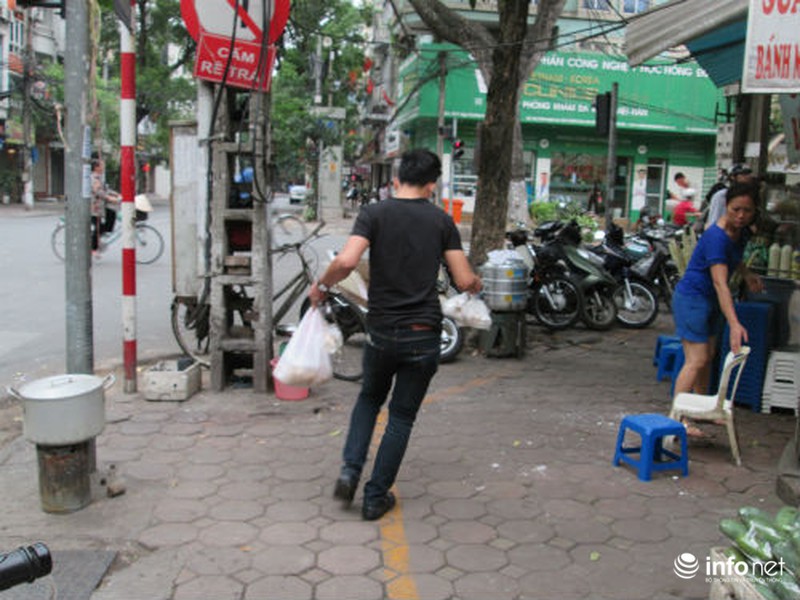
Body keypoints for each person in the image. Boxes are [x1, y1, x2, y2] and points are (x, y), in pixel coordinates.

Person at [308, 148, 482, 521]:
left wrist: (321, 285)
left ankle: (350, 470)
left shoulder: (374, 213)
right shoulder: (440, 222)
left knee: (369, 399)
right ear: (432, 185)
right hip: (423, 333)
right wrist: (476, 283)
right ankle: (374, 498)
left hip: (382, 330)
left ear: (397, 179)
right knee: (401, 417)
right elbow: (465, 280)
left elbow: (346, 261)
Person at [671, 182, 763, 418]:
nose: (741, 216)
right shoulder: (715, 237)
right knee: (696, 359)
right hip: (692, 299)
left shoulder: (741, 233)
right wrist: (734, 323)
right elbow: (720, 283)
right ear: (726, 207)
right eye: (736, 210)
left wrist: (746, 274)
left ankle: (702, 411)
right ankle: (678, 419)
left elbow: (734, 259)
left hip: (710, 301)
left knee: (708, 358)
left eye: (747, 211)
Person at [704, 164, 754, 231]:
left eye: (748, 174)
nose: (747, 177)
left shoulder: (750, 196)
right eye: (743, 174)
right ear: (733, 177)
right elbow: (715, 219)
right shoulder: (722, 195)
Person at [90, 157, 120, 251]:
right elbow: (98, 191)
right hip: (95, 206)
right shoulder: (94, 178)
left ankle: (98, 243)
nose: (103, 168)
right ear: (96, 167)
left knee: (109, 220)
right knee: (99, 227)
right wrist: (109, 198)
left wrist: (115, 194)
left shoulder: (99, 177)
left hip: (101, 205)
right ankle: (93, 248)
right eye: (102, 166)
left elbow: (105, 189)